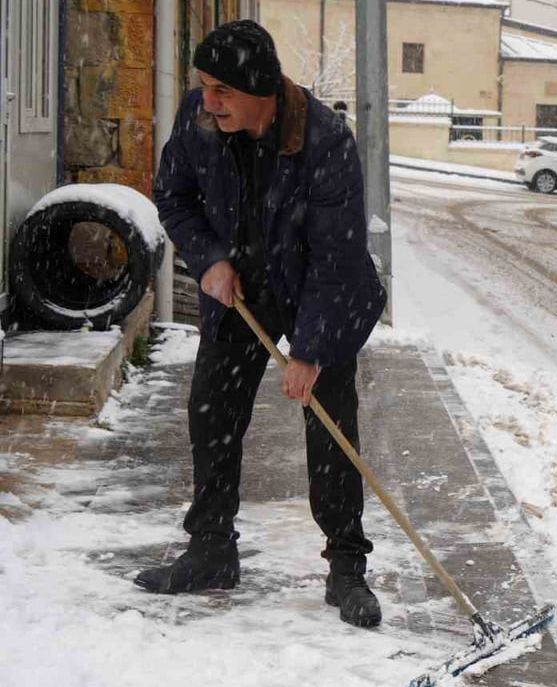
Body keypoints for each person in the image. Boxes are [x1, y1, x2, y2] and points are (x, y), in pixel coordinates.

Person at [136, 20, 388, 629]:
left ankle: (347, 567)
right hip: (242, 285)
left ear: (262, 89)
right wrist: (210, 259)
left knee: (331, 426)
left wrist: (311, 350)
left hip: (318, 290)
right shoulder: (199, 121)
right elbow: (174, 195)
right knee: (212, 412)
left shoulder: (325, 141)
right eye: (202, 86)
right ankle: (212, 549)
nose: (207, 100)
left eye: (221, 89)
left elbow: (338, 258)